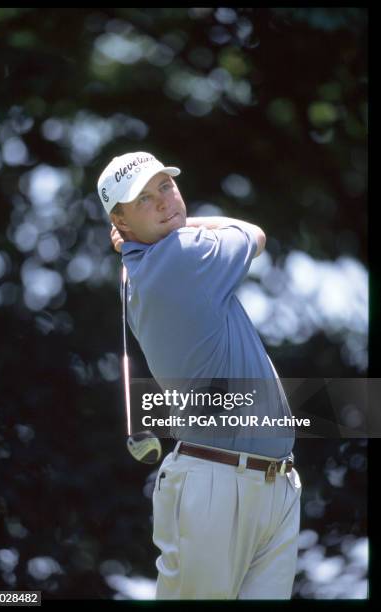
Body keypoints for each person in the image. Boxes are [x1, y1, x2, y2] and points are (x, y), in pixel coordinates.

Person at [97, 151, 302, 600]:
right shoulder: (184, 256)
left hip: (274, 481)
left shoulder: (154, 264)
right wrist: (189, 224)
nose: (165, 202)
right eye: (145, 199)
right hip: (216, 482)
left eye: (166, 187)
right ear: (121, 222)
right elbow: (254, 233)